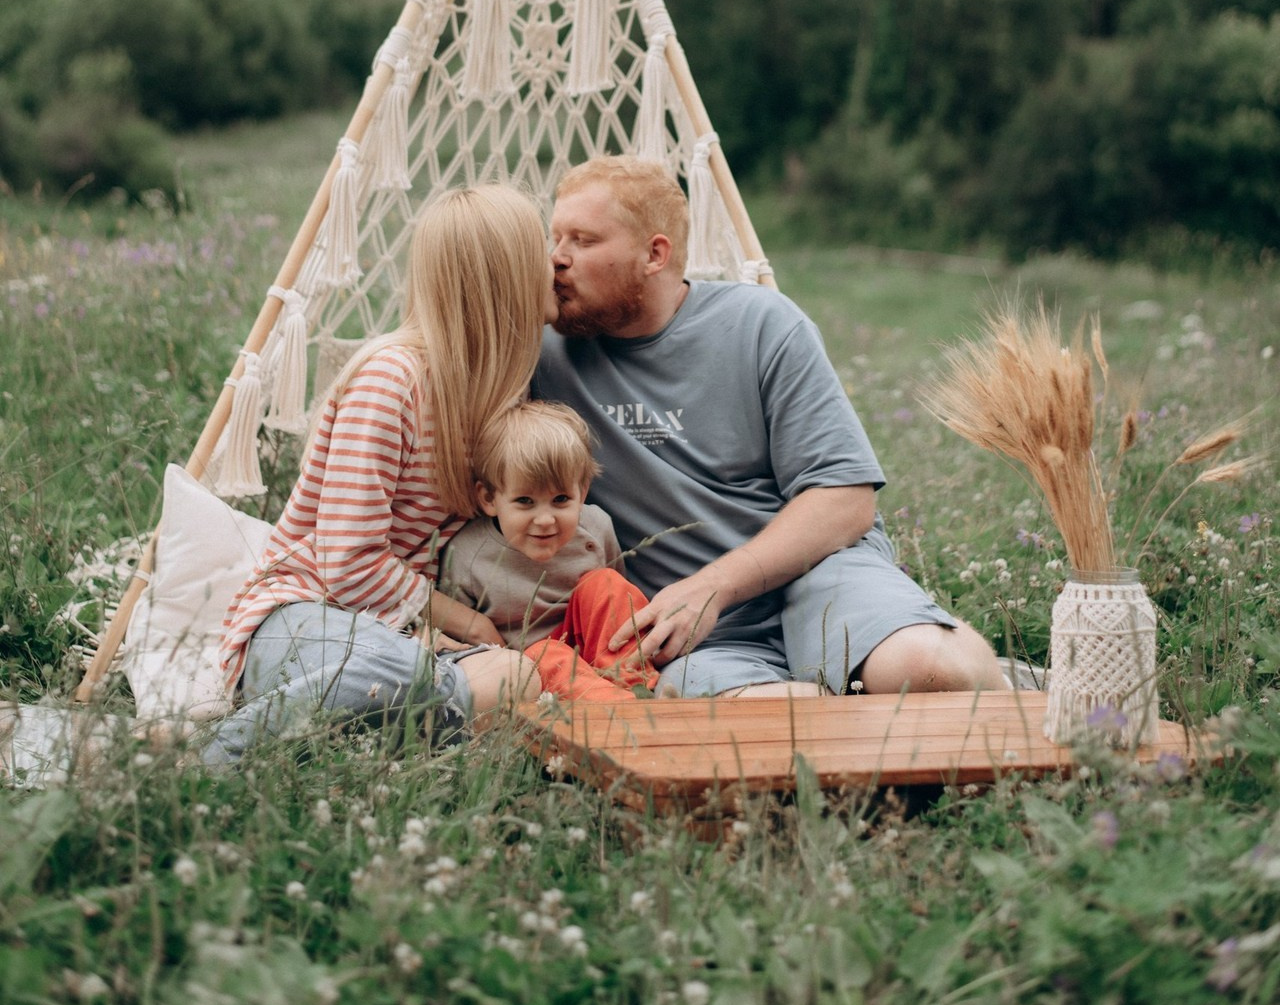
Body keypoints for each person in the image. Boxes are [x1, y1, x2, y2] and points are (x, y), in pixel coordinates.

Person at [536, 156, 1004, 700]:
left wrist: (714, 586)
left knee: (930, 671)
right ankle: (847, 701)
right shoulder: (542, 356)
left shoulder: (761, 324)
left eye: (583, 241)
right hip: (700, 642)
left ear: (654, 254)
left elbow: (845, 500)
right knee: (774, 721)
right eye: (555, 238)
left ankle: (962, 668)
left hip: (821, 577)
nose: (557, 260)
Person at [202, 185, 547, 768]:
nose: (554, 267)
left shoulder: (498, 395)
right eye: (542, 254)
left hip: (399, 639)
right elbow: (346, 560)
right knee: (391, 672)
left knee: (519, 679)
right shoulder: (392, 380)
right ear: (506, 280)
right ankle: (209, 758)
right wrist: (460, 621)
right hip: (304, 615)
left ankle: (349, 728)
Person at [441, 400, 658, 703]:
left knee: (606, 583)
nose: (545, 520)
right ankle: (616, 708)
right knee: (547, 652)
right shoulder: (467, 555)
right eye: (525, 501)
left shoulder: (596, 527)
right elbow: (458, 644)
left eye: (560, 499)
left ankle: (635, 685)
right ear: (489, 498)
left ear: (581, 492)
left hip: (594, 654)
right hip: (530, 668)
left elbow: (615, 612)